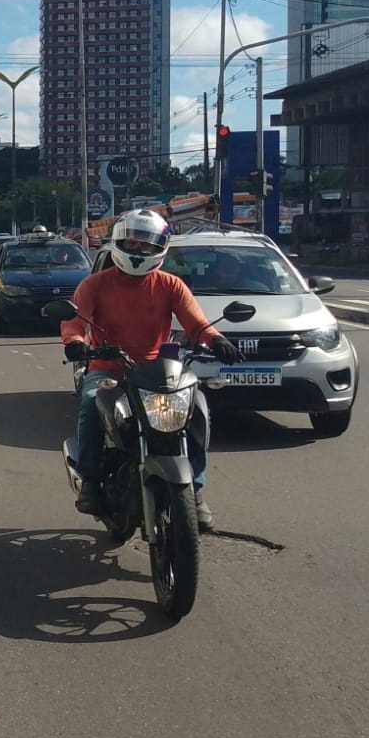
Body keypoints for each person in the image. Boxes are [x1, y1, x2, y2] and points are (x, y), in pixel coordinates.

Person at [61, 209, 244, 532]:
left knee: (197, 409)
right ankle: (90, 480)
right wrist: (75, 341)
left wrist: (216, 340)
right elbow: (75, 321)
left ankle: (195, 492)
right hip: (109, 370)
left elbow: (196, 322)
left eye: (147, 245)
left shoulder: (170, 285)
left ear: (160, 248)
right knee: (91, 402)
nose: (138, 251)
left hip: (158, 373)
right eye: (132, 243)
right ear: (119, 243)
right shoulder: (94, 285)